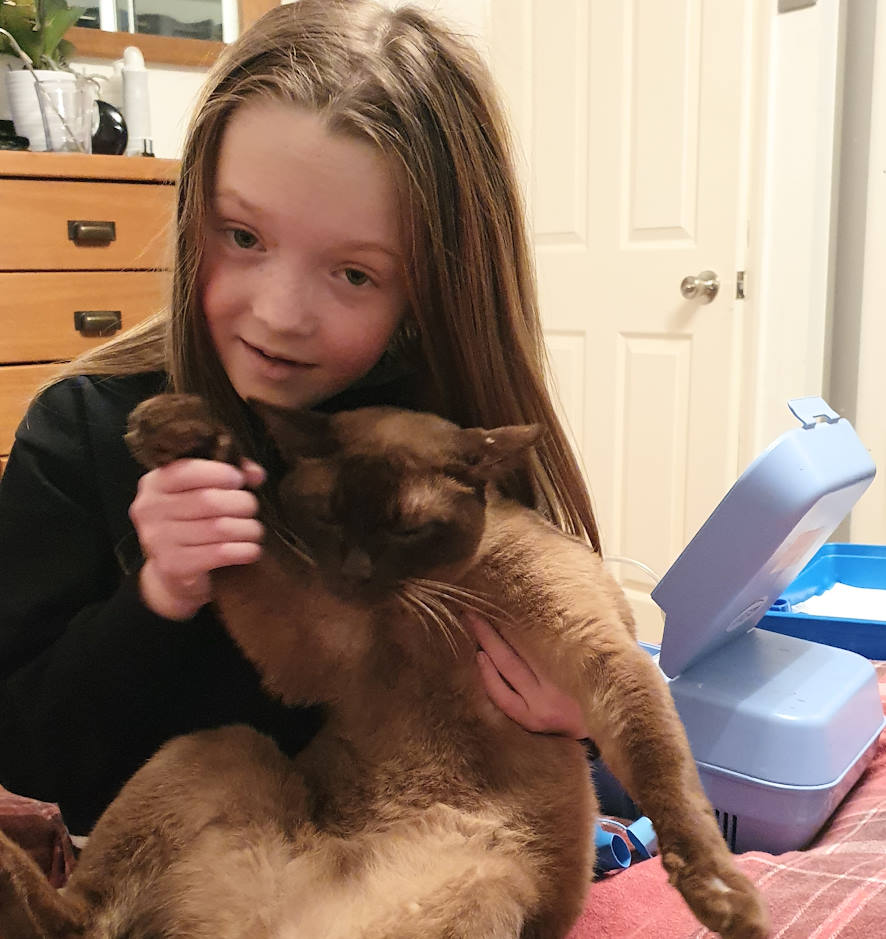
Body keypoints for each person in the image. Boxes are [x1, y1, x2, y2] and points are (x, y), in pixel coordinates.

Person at [0, 0, 598, 837]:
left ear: (434, 288)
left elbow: (550, 666)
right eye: (242, 235)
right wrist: (157, 596)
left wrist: (576, 714)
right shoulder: (80, 434)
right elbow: (24, 764)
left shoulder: (448, 435)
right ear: (193, 213)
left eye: (354, 274)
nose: (280, 314)